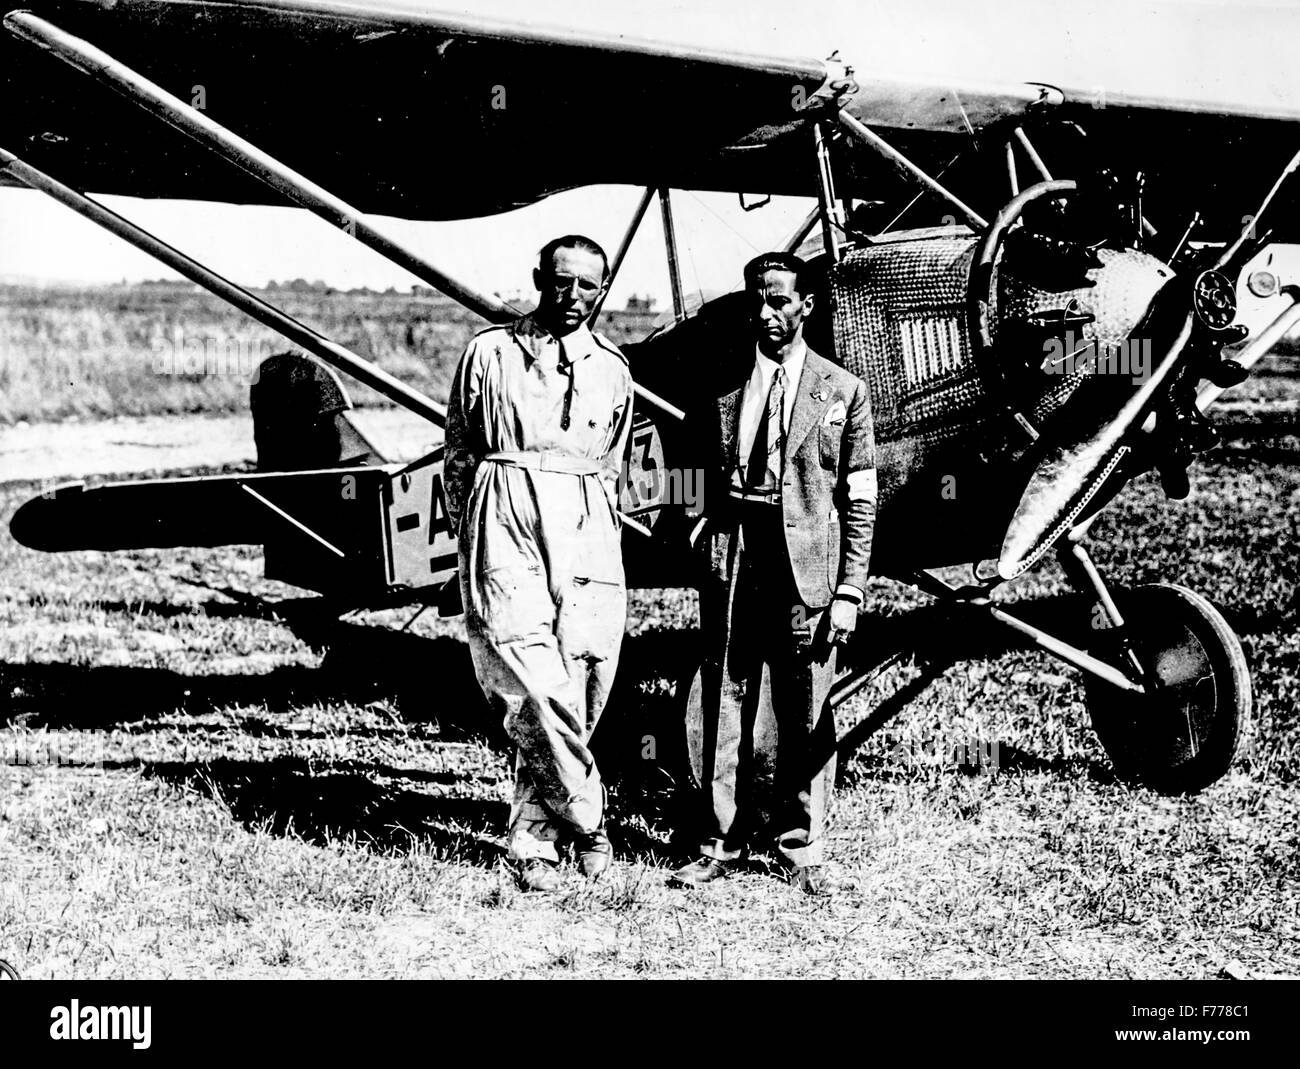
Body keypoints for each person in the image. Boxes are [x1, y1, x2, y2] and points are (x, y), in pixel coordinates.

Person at [671, 251, 877, 896]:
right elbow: (692, 477)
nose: (768, 313)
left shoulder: (843, 391)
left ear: (806, 304)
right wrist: (701, 537)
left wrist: (848, 589)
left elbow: (862, 501)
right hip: (737, 557)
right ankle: (719, 840)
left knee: (805, 702)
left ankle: (800, 843)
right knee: (725, 695)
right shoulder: (724, 388)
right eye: (759, 300)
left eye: (782, 301)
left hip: (806, 566)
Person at [443, 235, 634, 892]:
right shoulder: (488, 353)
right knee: (526, 673)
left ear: (603, 290)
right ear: (538, 279)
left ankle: (534, 829)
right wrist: (465, 538)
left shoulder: (613, 367)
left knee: (584, 668)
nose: (573, 297)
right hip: (503, 510)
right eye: (561, 282)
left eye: (588, 285)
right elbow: (460, 456)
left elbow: (615, 463)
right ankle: (588, 817)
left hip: (586, 517)